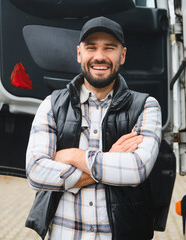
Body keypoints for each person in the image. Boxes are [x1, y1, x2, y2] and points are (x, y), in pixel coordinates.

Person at [26, 16, 162, 240]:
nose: (100, 56)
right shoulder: (52, 105)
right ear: (79, 53)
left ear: (123, 55)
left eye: (109, 48)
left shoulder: (145, 106)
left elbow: (137, 169)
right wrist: (111, 158)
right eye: (91, 48)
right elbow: (35, 172)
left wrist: (72, 155)